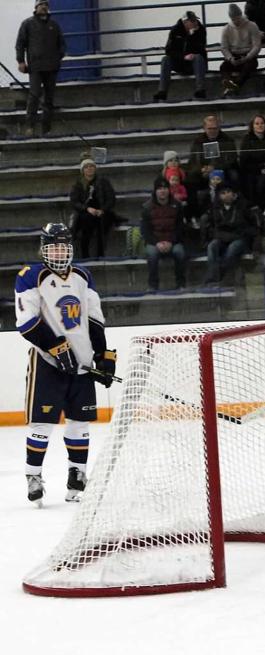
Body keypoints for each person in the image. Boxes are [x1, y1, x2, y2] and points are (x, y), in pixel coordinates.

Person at [15, 223, 116, 506]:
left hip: (81, 362)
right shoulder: (30, 276)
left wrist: (102, 356)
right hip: (47, 362)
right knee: (42, 423)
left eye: (63, 247)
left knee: (80, 422)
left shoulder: (83, 276)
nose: (59, 252)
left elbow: (94, 318)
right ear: (44, 249)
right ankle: (33, 476)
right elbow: (26, 322)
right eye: (53, 247)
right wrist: (57, 349)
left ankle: (77, 475)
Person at [16, 0, 66, 136]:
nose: (44, 7)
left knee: (49, 99)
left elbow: (62, 44)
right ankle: (30, 126)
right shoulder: (27, 24)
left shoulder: (54, 25)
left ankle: (46, 128)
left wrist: (58, 57)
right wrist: (21, 61)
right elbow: (20, 44)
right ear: (36, 7)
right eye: (41, 5)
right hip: (36, 67)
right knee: (34, 95)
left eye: (46, 5)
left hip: (51, 67)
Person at [201, 184, 256, 286]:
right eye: (223, 193)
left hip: (239, 238)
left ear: (233, 194)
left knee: (232, 249)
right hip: (221, 237)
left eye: (228, 192)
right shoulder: (215, 208)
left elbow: (247, 225)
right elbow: (214, 227)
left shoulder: (242, 206)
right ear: (219, 196)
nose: (226, 195)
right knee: (212, 246)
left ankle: (220, 275)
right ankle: (212, 278)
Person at [140, 178, 187, 291]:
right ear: (155, 191)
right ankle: (153, 285)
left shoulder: (177, 205)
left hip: (173, 241)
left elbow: (181, 228)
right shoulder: (147, 207)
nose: (162, 191)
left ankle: (181, 284)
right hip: (154, 242)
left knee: (180, 252)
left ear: (169, 190)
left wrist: (171, 241)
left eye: (165, 188)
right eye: (159, 188)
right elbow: (145, 231)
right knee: (152, 254)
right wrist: (157, 243)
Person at [69, 158, 118, 261]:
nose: (89, 169)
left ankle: (101, 253)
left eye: (91, 166)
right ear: (83, 170)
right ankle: (85, 254)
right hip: (85, 212)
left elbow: (111, 198)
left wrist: (102, 210)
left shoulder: (103, 182)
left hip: (102, 211)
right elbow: (74, 201)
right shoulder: (78, 184)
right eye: (86, 167)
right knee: (86, 222)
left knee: (104, 222)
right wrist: (87, 208)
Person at [152, 10, 206, 101]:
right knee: (165, 59)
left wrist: (192, 36)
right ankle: (162, 92)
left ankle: (200, 90)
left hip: (193, 63)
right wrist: (183, 56)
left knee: (198, 58)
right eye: (192, 21)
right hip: (179, 62)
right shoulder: (175, 30)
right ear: (185, 22)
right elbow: (169, 50)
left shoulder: (200, 30)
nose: (195, 23)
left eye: (195, 20)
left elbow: (201, 48)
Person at [187, 115, 239, 193]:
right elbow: (193, 160)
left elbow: (232, 160)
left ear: (219, 128)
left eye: (215, 128)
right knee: (190, 176)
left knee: (234, 175)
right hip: (204, 169)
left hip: (223, 169)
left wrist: (214, 168)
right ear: (204, 128)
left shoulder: (227, 140)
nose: (212, 131)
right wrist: (202, 169)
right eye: (210, 128)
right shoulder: (198, 141)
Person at [220, 4, 262, 97]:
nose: (236, 21)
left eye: (238, 18)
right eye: (233, 19)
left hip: (249, 56)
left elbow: (256, 45)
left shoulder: (252, 26)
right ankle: (230, 84)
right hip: (234, 56)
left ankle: (235, 85)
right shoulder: (226, 29)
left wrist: (248, 57)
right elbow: (224, 47)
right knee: (223, 67)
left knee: (249, 67)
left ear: (241, 15)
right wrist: (230, 58)